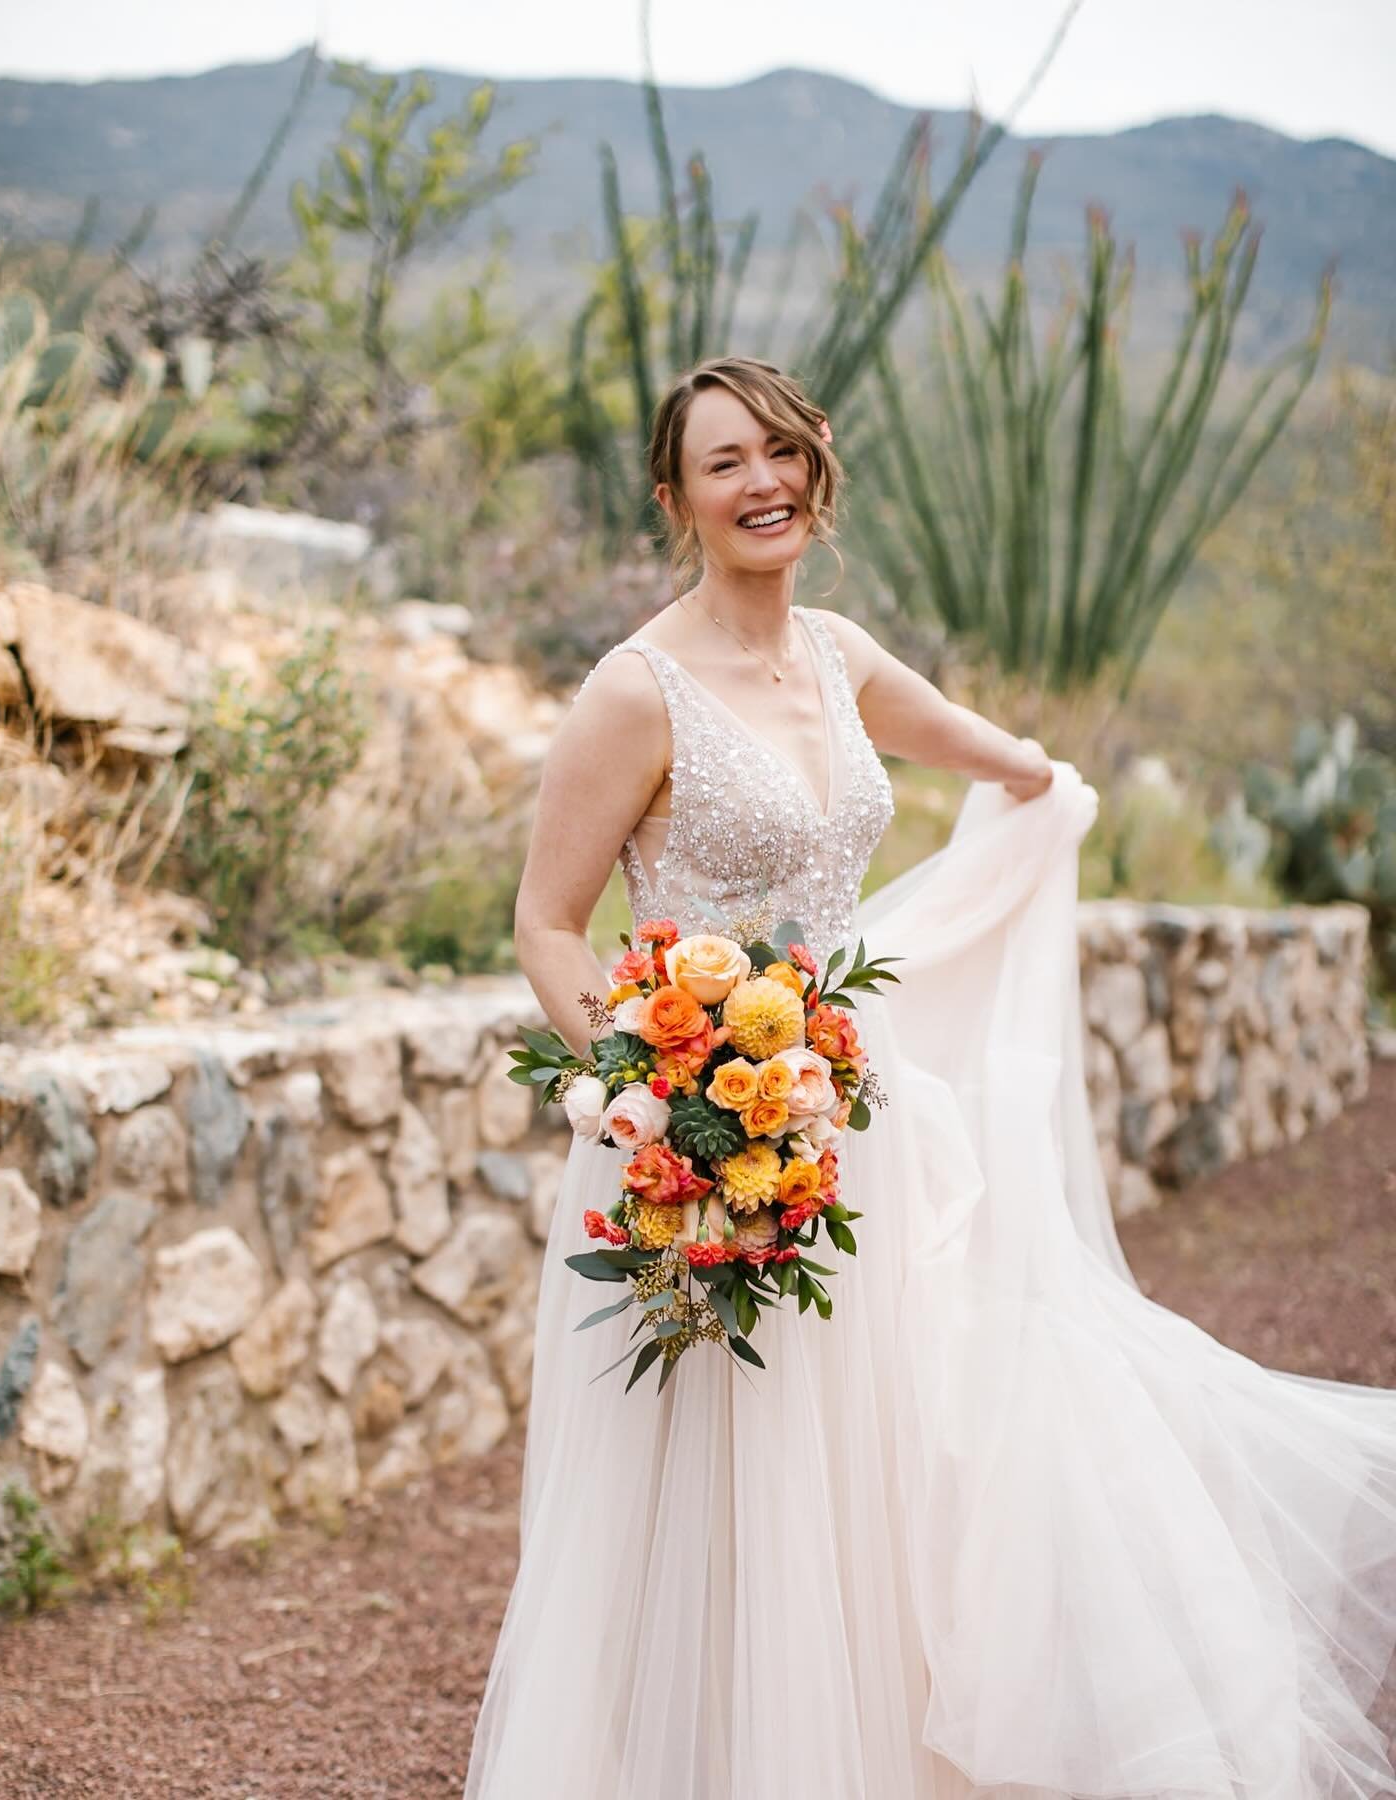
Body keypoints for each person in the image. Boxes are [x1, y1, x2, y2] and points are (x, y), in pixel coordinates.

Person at [462, 355, 1396, 1799]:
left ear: (816, 465)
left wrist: (1050, 791)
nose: (760, 480)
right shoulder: (633, 691)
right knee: (726, 1478)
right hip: (696, 1146)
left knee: (890, 1449)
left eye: (779, 450)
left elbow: (993, 759)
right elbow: (544, 921)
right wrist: (651, 1094)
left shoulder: (838, 653)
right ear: (675, 498)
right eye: (724, 463)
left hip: (860, 1118)